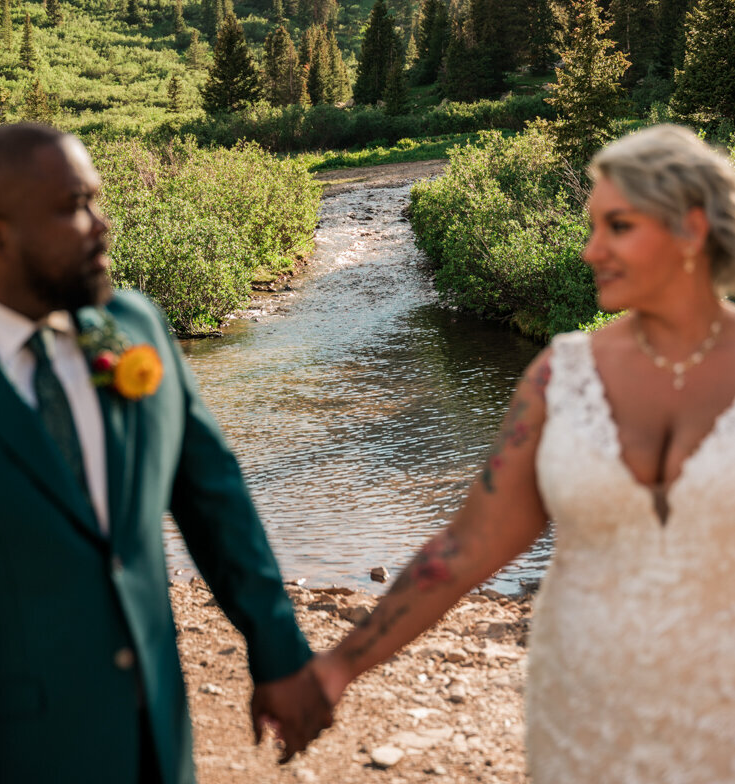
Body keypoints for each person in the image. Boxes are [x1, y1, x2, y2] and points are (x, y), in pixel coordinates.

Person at [312, 124, 735, 782]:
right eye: (590, 226)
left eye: (616, 227)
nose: (590, 249)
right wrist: (339, 665)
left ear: (691, 229)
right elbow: (467, 548)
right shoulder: (558, 377)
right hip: (584, 715)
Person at [0, 123, 331, 784]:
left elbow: (214, 500)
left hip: (157, 745)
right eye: (72, 207)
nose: (102, 224)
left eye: (96, 198)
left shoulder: (135, 326)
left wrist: (278, 650)